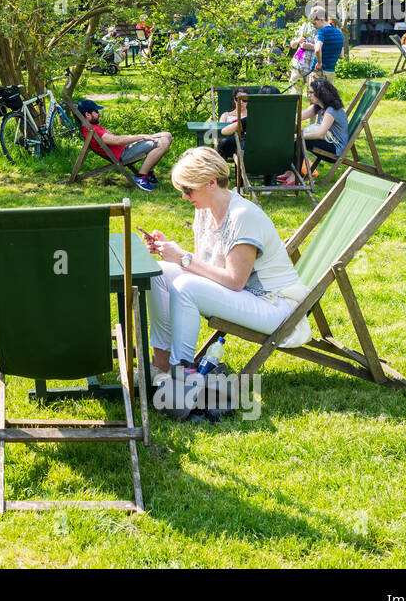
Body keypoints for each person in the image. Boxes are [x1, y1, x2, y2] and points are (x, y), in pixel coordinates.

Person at [141, 147, 310, 385]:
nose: (184, 196)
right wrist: (170, 251)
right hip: (243, 297)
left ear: (211, 182)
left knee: (185, 287)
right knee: (158, 273)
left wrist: (183, 258)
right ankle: (161, 365)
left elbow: (234, 280)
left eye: (188, 189)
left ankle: (182, 376)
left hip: (275, 306)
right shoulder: (205, 210)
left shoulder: (242, 215)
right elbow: (205, 269)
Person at [75, 98, 172, 193]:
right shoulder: (91, 130)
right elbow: (117, 141)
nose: (99, 114)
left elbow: (118, 139)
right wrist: (141, 136)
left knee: (167, 135)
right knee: (163, 142)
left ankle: (149, 173)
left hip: (126, 148)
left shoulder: (94, 126)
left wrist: (137, 138)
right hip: (124, 154)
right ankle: (141, 176)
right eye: (96, 111)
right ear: (87, 114)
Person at [275, 79, 348, 185]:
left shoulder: (331, 110)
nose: (308, 95)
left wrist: (297, 135)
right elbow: (297, 117)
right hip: (326, 141)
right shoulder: (318, 107)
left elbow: (320, 134)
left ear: (321, 93)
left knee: (300, 140)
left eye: (311, 92)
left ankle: (295, 176)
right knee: (298, 139)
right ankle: (290, 172)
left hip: (334, 148)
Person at [309, 6, 343, 83]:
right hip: (331, 71)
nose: (314, 26)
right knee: (327, 94)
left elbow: (317, 49)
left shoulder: (321, 32)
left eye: (314, 23)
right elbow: (341, 55)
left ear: (322, 19)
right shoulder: (339, 33)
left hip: (318, 72)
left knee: (315, 94)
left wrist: (319, 63)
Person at [286, 19, 318, 92]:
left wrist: (309, 46)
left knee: (313, 95)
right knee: (294, 93)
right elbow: (292, 45)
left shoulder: (323, 28)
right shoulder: (303, 25)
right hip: (298, 64)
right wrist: (297, 40)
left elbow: (322, 48)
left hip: (313, 67)